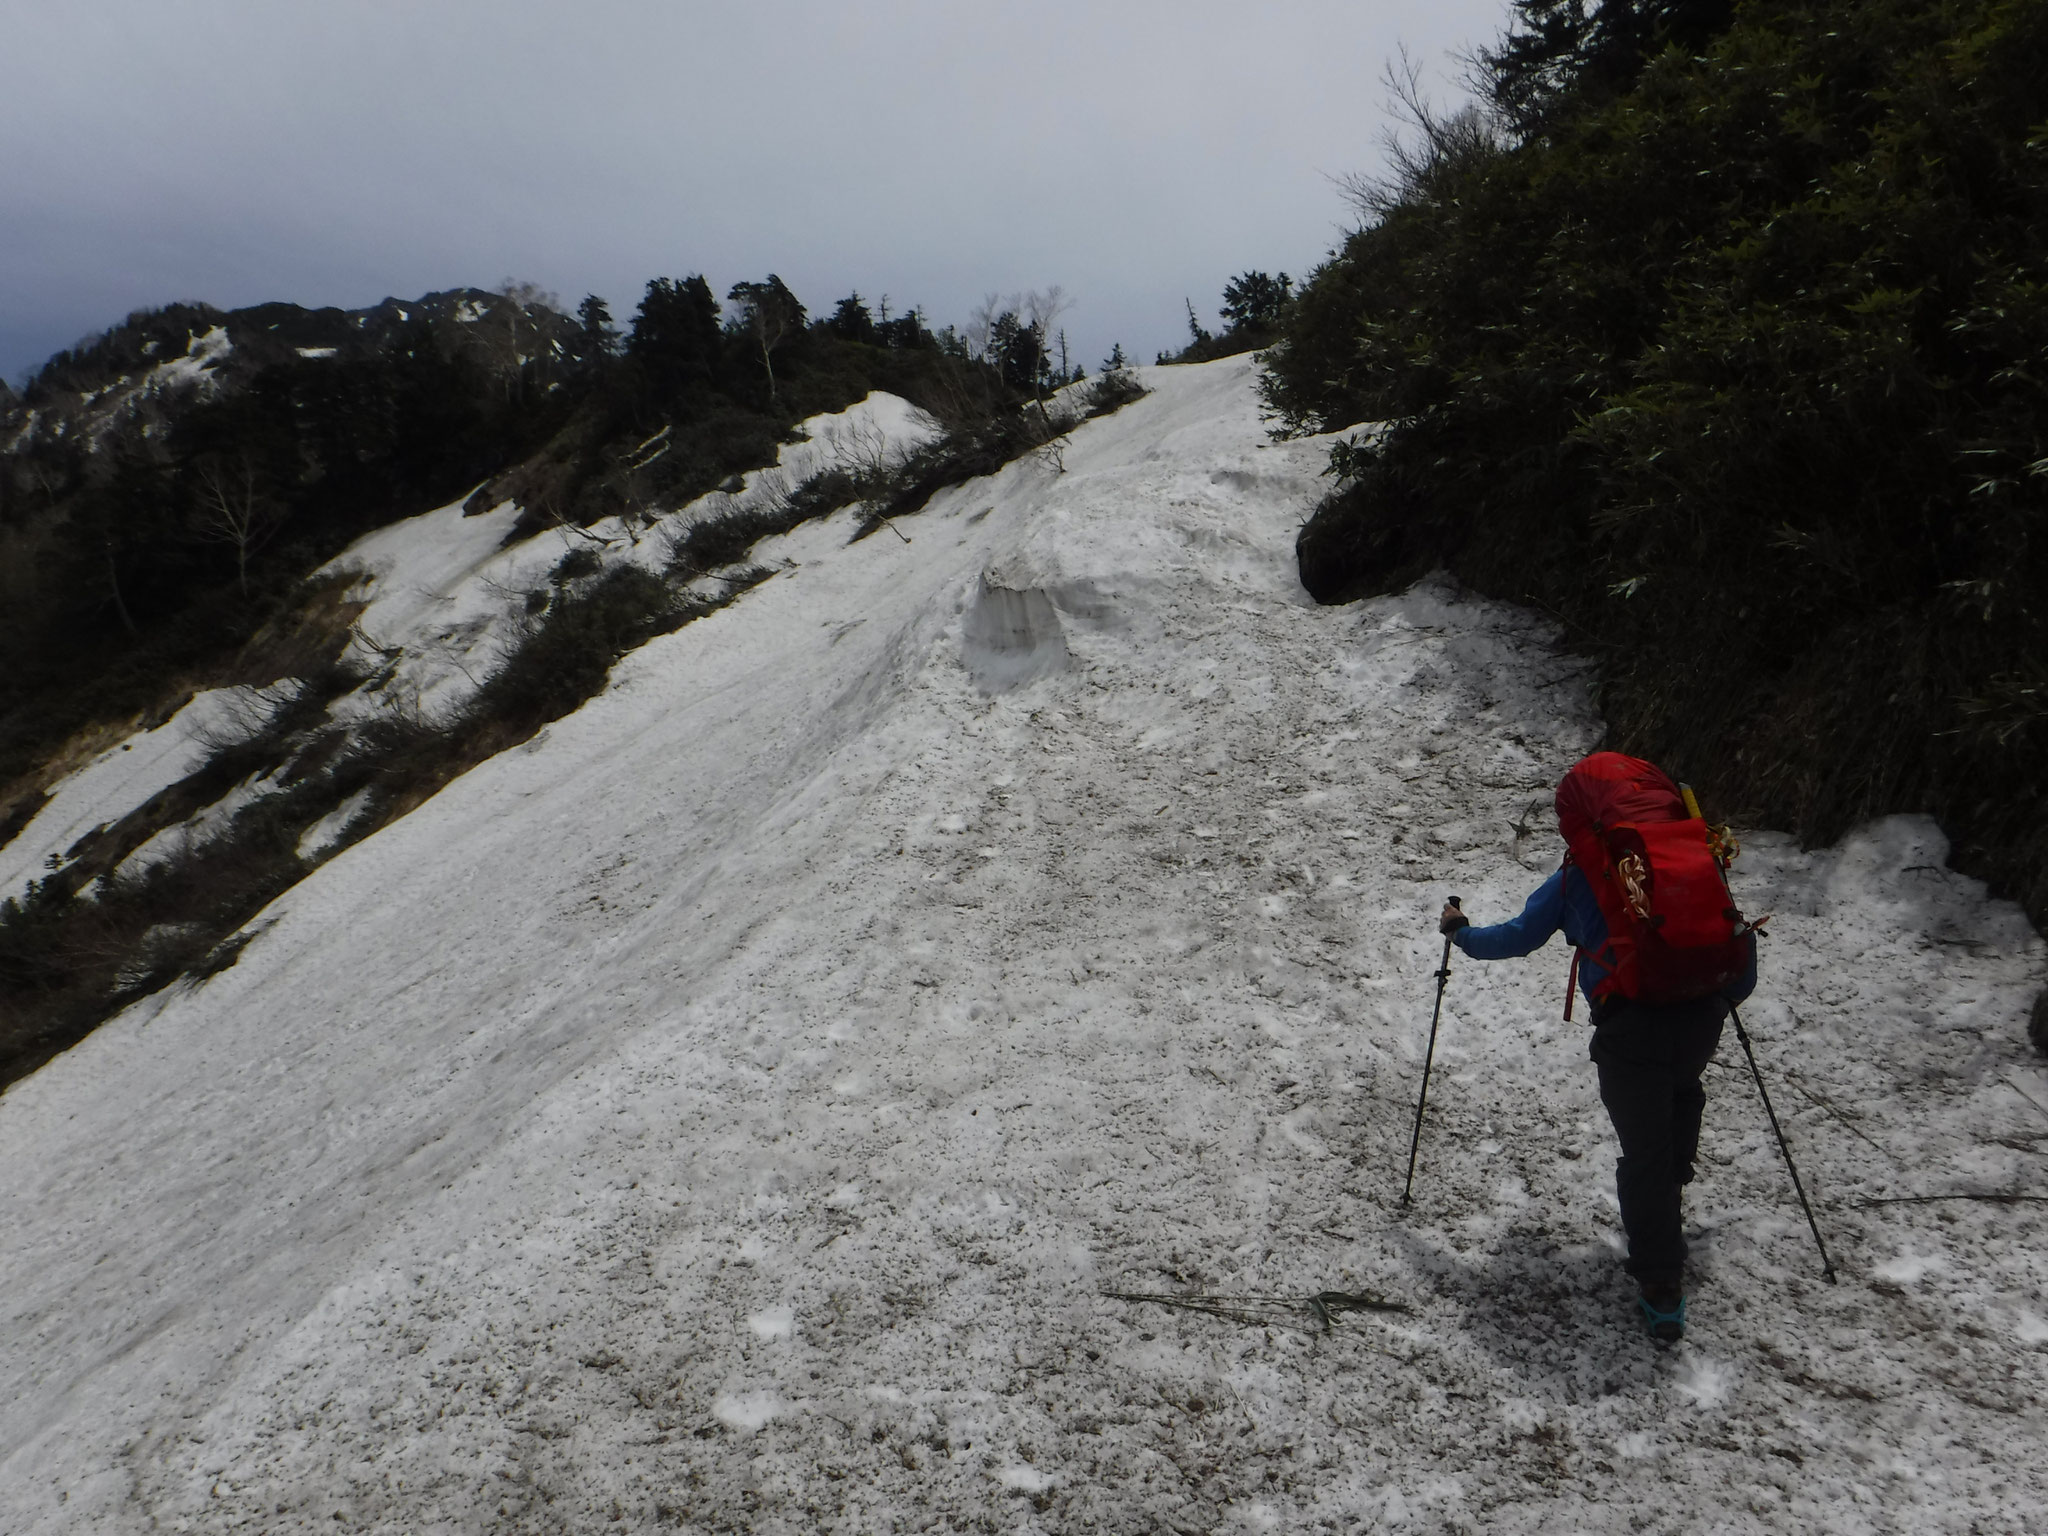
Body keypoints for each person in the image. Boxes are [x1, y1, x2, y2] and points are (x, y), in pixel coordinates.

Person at [1437, 820, 1755, 1344]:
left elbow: (1516, 937)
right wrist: (1714, 1001)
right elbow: (1738, 947)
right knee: (1678, 1098)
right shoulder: (1689, 860)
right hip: (1701, 1015)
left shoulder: (1580, 873)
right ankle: (1672, 1188)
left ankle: (1661, 1286)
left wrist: (1459, 932)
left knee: (1644, 1155)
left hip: (1631, 1028)